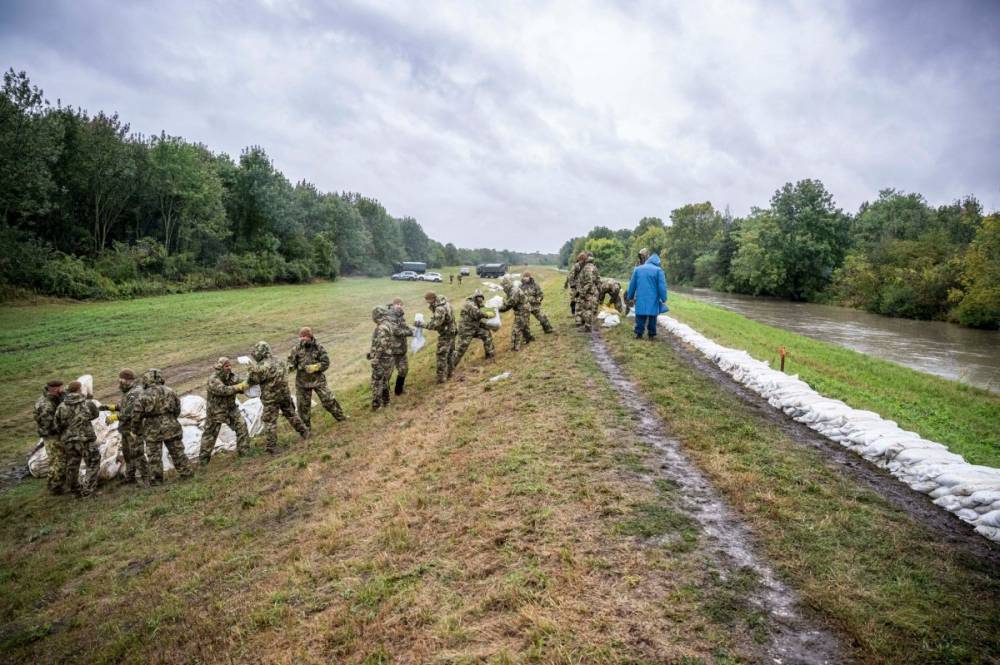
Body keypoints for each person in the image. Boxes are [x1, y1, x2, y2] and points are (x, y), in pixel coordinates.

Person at [247, 341, 309, 453]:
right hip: (284, 394)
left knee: (270, 421)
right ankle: (304, 432)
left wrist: (250, 368)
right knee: (291, 414)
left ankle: (271, 447)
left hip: (271, 398)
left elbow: (254, 380)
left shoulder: (262, 366)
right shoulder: (279, 360)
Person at [134, 369, 192, 484]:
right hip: (171, 426)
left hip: (152, 430)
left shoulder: (143, 395)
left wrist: (136, 430)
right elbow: (177, 409)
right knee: (177, 452)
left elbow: (136, 415)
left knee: (154, 457)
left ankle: (156, 481)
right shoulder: (170, 391)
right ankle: (186, 473)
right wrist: (170, 418)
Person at [287, 327, 346, 429]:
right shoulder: (296, 349)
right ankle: (306, 430)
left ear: (310, 336)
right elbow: (290, 363)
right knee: (303, 408)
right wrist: (291, 367)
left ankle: (341, 417)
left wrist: (315, 367)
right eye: (301, 337)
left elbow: (326, 363)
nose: (302, 339)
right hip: (302, 383)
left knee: (328, 400)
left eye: (304, 337)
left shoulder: (319, 348)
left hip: (318, 381)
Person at [198, 357, 250, 464]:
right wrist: (240, 387)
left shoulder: (232, 376)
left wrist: (250, 380)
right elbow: (224, 390)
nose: (229, 368)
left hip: (231, 409)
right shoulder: (213, 379)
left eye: (230, 365)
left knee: (242, 426)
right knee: (210, 436)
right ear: (220, 367)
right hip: (216, 412)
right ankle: (203, 461)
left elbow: (243, 383)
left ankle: (244, 454)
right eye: (226, 366)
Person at [54, 380, 100, 497]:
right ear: (79, 390)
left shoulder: (61, 406)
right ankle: (88, 491)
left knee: (72, 464)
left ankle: (73, 489)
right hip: (85, 439)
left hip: (69, 441)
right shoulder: (87, 403)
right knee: (93, 462)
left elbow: (57, 425)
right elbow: (95, 414)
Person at [102, 369, 147, 484]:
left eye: (121, 381)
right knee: (128, 455)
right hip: (126, 429)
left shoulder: (135, 392)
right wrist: (111, 407)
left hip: (133, 429)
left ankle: (145, 478)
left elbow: (130, 411)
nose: (119, 384)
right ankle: (130, 478)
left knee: (137, 454)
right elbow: (123, 406)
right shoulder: (129, 392)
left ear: (127, 380)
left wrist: (114, 417)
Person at [416, 291, 457, 383]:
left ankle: (441, 379)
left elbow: (435, 325)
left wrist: (421, 324)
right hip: (452, 331)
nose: (427, 303)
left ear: (432, 299)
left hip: (446, 333)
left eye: (428, 301)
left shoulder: (439, 308)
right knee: (450, 353)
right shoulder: (445, 302)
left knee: (441, 356)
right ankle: (450, 373)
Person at [34, 380, 66, 495]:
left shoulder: (51, 399)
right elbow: (48, 425)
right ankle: (55, 487)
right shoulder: (46, 405)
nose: (64, 390)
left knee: (56, 460)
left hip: (53, 435)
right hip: (52, 436)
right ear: (56, 389)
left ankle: (55, 483)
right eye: (62, 388)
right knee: (59, 461)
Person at [626, 252, 668, 339]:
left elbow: (632, 284)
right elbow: (662, 286)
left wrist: (630, 296)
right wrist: (664, 298)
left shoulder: (637, 269)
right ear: (657, 262)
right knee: (652, 316)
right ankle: (651, 335)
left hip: (641, 297)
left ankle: (639, 333)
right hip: (653, 298)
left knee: (640, 315)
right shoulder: (659, 271)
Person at [450, 290, 496, 370]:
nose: (480, 300)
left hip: (474, 327)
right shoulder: (470, 304)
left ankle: (490, 355)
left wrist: (489, 310)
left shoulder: (476, 304)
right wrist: (488, 315)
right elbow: (478, 314)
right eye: (479, 298)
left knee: (486, 334)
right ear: (475, 297)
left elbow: (482, 309)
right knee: (461, 349)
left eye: (481, 298)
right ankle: (449, 368)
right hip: (466, 330)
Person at [368, 306, 395, 410]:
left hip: (382, 359)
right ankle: (386, 401)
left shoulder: (381, 327)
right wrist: (371, 353)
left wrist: (376, 358)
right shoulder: (388, 324)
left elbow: (382, 344)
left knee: (376, 381)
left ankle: (376, 405)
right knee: (384, 380)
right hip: (388, 357)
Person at [386, 298, 414, 396]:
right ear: (393, 305)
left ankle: (399, 391)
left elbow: (403, 325)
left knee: (404, 369)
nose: (399, 306)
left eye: (401, 304)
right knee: (386, 374)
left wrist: (412, 328)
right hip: (392, 350)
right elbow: (396, 331)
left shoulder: (400, 315)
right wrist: (410, 332)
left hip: (401, 348)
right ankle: (383, 396)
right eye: (397, 304)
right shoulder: (390, 316)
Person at [498, 276, 533, 351]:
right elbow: (508, 301)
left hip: (523, 310)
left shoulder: (514, 291)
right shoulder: (511, 290)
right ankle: (529, 338)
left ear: (507, 284)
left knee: (516, 328)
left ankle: (515, 347)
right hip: (524, 309)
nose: (503, 288)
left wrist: (499, 309)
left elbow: (510, 303)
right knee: (524, 325)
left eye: (503, 286)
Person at [576, 252, 601, 332]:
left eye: (579, 260)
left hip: (588, 292)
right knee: (590, 309)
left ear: (582, 260)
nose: (578, 262)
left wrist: (582, 293)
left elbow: (589, 282)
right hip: (593, 291)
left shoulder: (586, 268)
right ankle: (589, 325)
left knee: (587, 309)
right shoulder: (593, 266)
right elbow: (598, 280)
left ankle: (587, 327)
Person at [564, 255, 584, 321]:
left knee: (577, 298)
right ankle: (574, 313)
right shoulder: (577, 266)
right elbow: (570, 276)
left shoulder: (580, 265)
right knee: (574, 299)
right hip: (575, 285)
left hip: (577, 284)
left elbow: (569, 276)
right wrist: (572, 285)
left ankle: (577, 313)